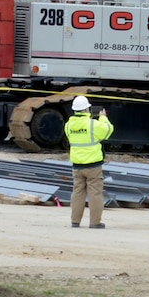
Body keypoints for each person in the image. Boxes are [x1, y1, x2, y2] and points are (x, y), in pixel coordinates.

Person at [65, 95, 113, 231]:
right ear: (87, 109)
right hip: (93, 165)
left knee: (77, 192)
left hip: (77, 165)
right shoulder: (93, 125)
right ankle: (95, 222)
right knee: (95, 193)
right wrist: (103, 117)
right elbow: (108, 131)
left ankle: (75, 221)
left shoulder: (68, 126)